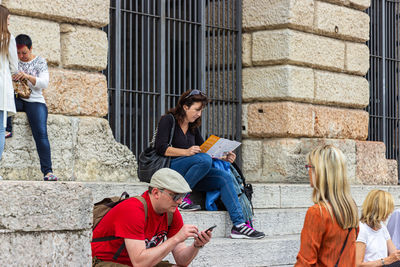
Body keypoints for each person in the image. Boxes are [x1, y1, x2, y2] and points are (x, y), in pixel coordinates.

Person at [154, 89, 265, 239]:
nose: (199, 114)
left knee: (224, 176)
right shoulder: (168, 120)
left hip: (192, 174)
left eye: (201, 110)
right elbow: (160, 148)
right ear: (185, 107)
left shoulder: (193, 127)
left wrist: (223, 157)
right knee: (204, 160)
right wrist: (186, 152)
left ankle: (239, 225)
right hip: (170, 169)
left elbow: (205, 151)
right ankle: (180, 197)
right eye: (197, 109)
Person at [91, 168, 212, 267]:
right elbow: (139, 263)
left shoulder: (171, 212)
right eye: (175, 196)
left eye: (183, 195)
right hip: (104, 262)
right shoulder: (133, 209)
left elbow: (182, 261)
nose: (180, 201)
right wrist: (176, 238)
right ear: (156, 193)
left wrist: (196, 245)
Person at [295, 145, 359, 266]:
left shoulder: (317, 212)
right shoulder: (350, 208)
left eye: (309, 167)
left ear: (321, 171)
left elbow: (305, 262)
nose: (308, 171)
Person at [7, 34, 58, 181]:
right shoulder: (13, 60)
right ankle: (7, 129)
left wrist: (26, 76)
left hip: (35, 100)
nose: (21, 56)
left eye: (24, 53)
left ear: (30, 49)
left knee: (41, 134)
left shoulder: (40, 61)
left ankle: (48, 172)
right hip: (17, 98)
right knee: (3, 102)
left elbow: (44, 83)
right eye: (18, 53)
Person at [356, 190, 400, 266]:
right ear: (380, 209)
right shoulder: (362, 229)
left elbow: (394, 253)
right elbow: (357, 264)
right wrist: (384, 261)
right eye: (389, 208)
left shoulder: (382, 227)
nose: (390, 212)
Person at [0, 5, 18, 172]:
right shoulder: (7, 38)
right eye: (9, 18)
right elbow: (14, 66)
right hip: (1, 88)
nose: (10, 22)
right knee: (0, 129)